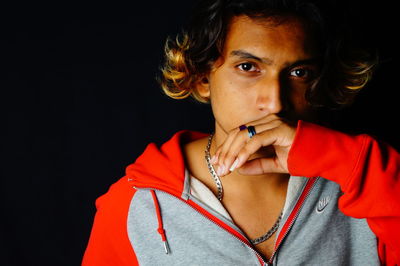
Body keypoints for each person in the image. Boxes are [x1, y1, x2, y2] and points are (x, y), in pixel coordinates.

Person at [82, 0, 400, 265]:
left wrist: (353, 164)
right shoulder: (134, 206)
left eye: (299, 73)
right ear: (203, 77)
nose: (274, 101)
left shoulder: (365, 184)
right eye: (248, 67)